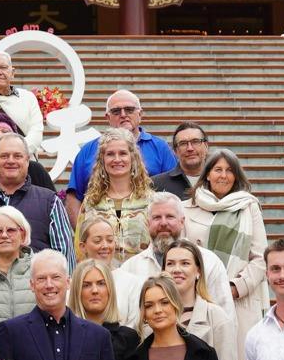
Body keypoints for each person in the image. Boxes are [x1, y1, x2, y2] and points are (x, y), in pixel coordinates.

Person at [182, 147, 271, 342]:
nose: (224, 175)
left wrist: (233, 288)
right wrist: (201, 289)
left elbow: (260, 258)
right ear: (207, 175)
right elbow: (181, 257)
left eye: (229, 170)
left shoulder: (249, 207)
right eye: (218, 169)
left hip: (238, 299)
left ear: (236, 176)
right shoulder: (185, 208)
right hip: (198, 299)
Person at [0, 133, 73, 264]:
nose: (11, 161)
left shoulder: (50, 202)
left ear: (27, 160)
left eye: (17, 156)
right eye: (4, 156)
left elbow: (65, 260)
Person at [63, 89, 176, 219]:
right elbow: (74, 197)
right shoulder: (87, 151)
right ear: (107, 117)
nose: (123, 115)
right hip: (100, 229)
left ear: (140, 114)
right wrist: (84, 233)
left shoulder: (161, 148)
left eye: (129, 109)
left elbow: (173, 192)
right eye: (116, 111)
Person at [118, 193, 234, 317]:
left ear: (182, 221)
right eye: (157, 217)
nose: (163, 223)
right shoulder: (130, 268)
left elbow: (226, 316)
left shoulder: (208, 261)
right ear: (148, 223)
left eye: (170, 216)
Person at [77, 128, 153, 261]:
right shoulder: (91, 202)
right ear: (102, 160)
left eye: (123, 153)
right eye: (110, 154)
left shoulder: (150, 200)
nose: (117, 159)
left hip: (142, 278)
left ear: (133, 157)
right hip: (102, 278)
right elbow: (80, 250)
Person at [150, 123, 210, 200]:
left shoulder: (220, 180)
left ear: (206, 146)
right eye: (183, 143)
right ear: (175, 151)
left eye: (195, 141)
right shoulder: (156, 185)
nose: (190, 148)